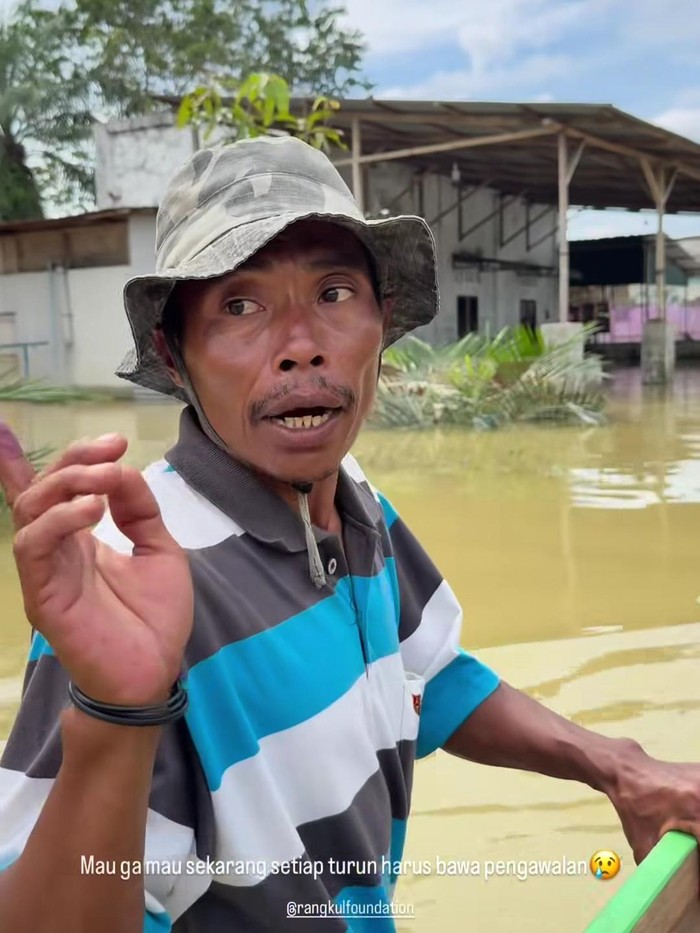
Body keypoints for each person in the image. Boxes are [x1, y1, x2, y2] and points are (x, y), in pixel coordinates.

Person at [0, 135, 699, 933]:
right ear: (174, 350)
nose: (302, 345)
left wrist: (618, 764)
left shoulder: (356, 501)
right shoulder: (125, 583)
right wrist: (112, 716)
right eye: (240, 305)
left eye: (334, 293)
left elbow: (430, 675)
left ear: (383, 320)